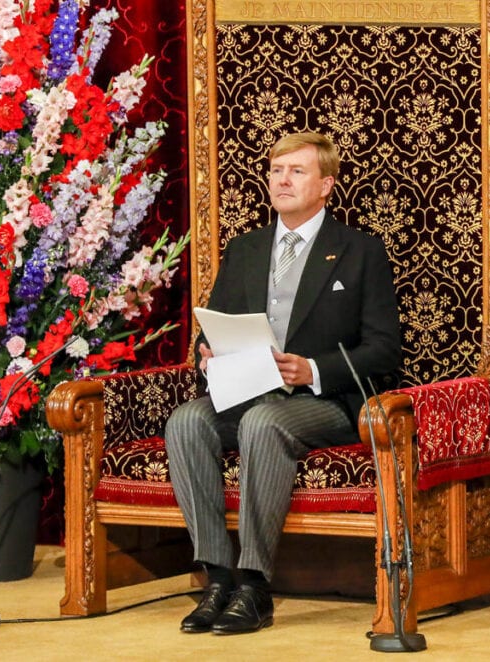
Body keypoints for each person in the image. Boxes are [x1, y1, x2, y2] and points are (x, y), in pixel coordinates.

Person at [165, 132, 401, 635]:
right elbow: (212, 329)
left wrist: (311, 369)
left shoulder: (360, 252)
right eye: (276, 170)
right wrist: (206, 358)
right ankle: (218, 578)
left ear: (326, 185)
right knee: (186, 421)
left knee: (264, 421)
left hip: (327, 401)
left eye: (297, 171)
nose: (282, 180)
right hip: (244, 390)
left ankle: (254, 587)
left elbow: (383, 351)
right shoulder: (246, 249)